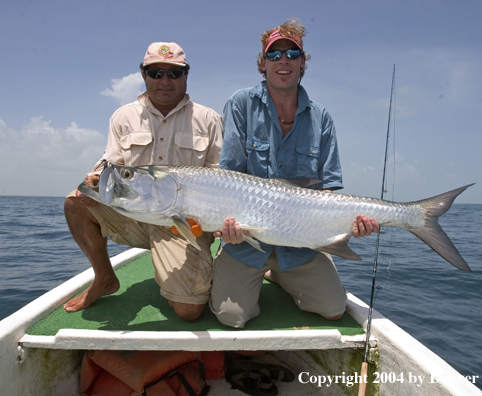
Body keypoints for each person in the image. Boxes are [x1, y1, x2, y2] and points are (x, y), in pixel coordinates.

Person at [209, 19, 379, 328]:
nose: (283, 60)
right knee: (232, 317)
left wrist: (350, 226)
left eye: (292, 53)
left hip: (301, 246)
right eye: (274, 54)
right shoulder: (241, 104)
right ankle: (265, 272)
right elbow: (228, 180)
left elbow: (326, 191)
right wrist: (227, 227)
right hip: (246, 244)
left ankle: (280, 275)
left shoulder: (321, 117)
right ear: (263, 63)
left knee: (333, 310)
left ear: (303, 62)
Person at [63, 42, 223, 321]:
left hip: (182, 225)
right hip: (135, 213)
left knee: (188, 311)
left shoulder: (208, 119)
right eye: (156, 72)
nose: (164, 80)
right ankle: (104, 278)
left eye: (174, 73)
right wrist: (95, 179)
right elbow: (110, 163)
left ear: (186, 75)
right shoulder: (123, 117)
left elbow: (221, 177)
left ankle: (204, 268)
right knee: (75, 201)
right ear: (144, 76)